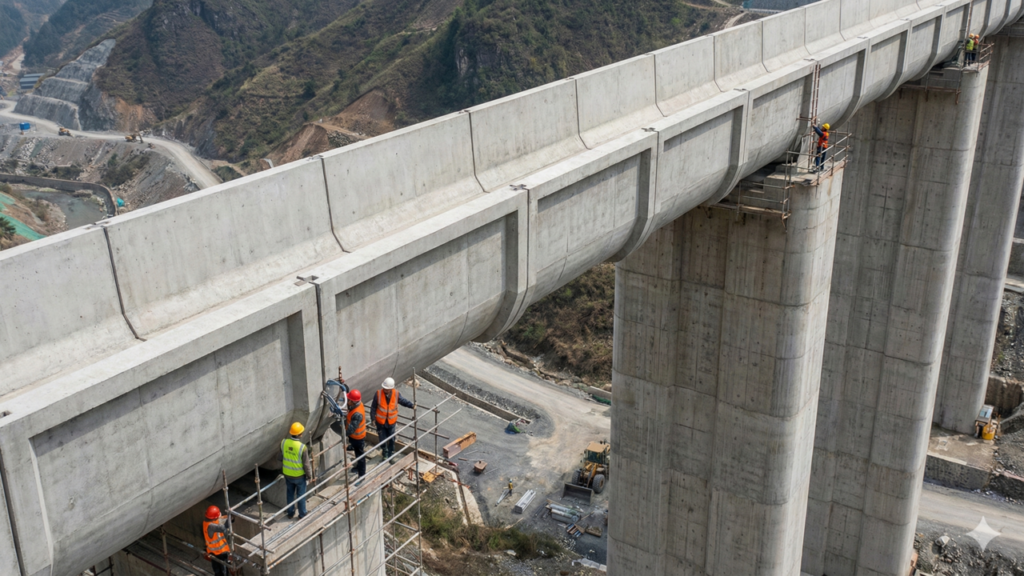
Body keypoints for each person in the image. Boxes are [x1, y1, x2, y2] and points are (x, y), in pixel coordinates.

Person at [371, 377, 414, 462]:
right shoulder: (378, 394)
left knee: (391, 439)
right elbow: (373, 407)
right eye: (384, 388)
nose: (385, 390)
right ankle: (385, 453)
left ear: (391, 388)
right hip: (381, 422)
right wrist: (373, 418)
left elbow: (403, 401)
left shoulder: (396, 394)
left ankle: (391, 455)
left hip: (391, 422)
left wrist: (412, 405)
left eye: (387, 389)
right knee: (382, 439)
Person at [281, 422, 313, 519]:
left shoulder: (284, 442)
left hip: (287, 474)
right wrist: (309, 476)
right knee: (300, 495)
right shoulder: (302, 447)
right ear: (300, 434)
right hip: (299, 476)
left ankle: (290, 513)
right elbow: (306, 464)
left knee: (290, 493)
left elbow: (280, 457)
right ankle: (302, 514)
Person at [203, 505, 231, 576]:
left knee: (217, 571)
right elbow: (223, 527)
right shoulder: (211, 526)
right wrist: (230, 515)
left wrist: (224, 517)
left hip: (213, 552)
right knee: (224, 571)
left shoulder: (207, 523)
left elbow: (219, 521)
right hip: (220, 552)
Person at [346, 389, 367, 478]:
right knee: (357, 453)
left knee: (360, 457)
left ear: (353, 402)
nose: (347, 401)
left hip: (358, 438)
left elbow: (352, 429)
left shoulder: (357, 414)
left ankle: (361, 476)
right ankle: (358, 468)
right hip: (356, 437)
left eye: (349, 400)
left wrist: (344, 435)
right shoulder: (358, 404)